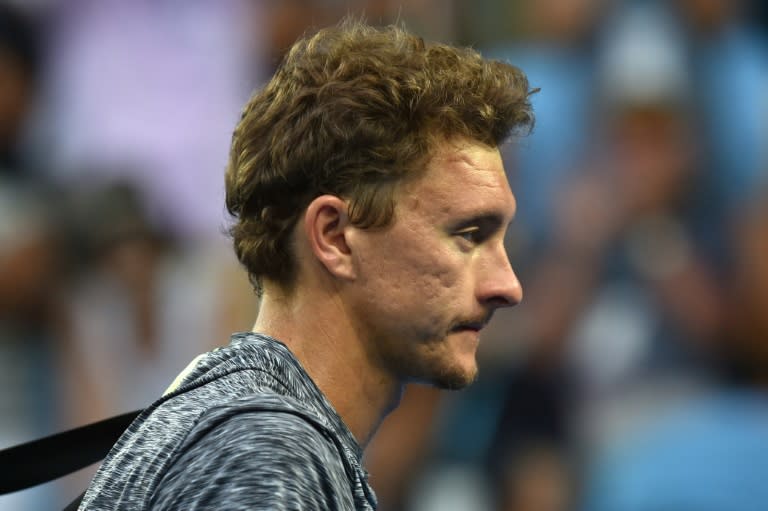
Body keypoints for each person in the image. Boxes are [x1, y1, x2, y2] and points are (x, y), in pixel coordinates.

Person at [78, 19, 534, 510]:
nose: (507, 286)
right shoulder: (268, 451)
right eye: (468, 235)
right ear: (334, 237)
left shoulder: (238, 420)